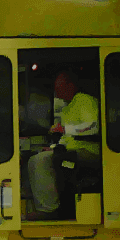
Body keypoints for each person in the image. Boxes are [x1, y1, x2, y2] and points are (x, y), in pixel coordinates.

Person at [27, 71, 100, 217]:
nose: (57, 93)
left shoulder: (84, 100)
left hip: (89, 150)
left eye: (59, 88)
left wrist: (64, 128)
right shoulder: (68, 107)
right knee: (34, 157)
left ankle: (50, 209)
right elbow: (67, 138)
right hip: (72, 149)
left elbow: (94, 126)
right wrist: (53, 147)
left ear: (70, 85)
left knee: (41, 161)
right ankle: (41, 205)